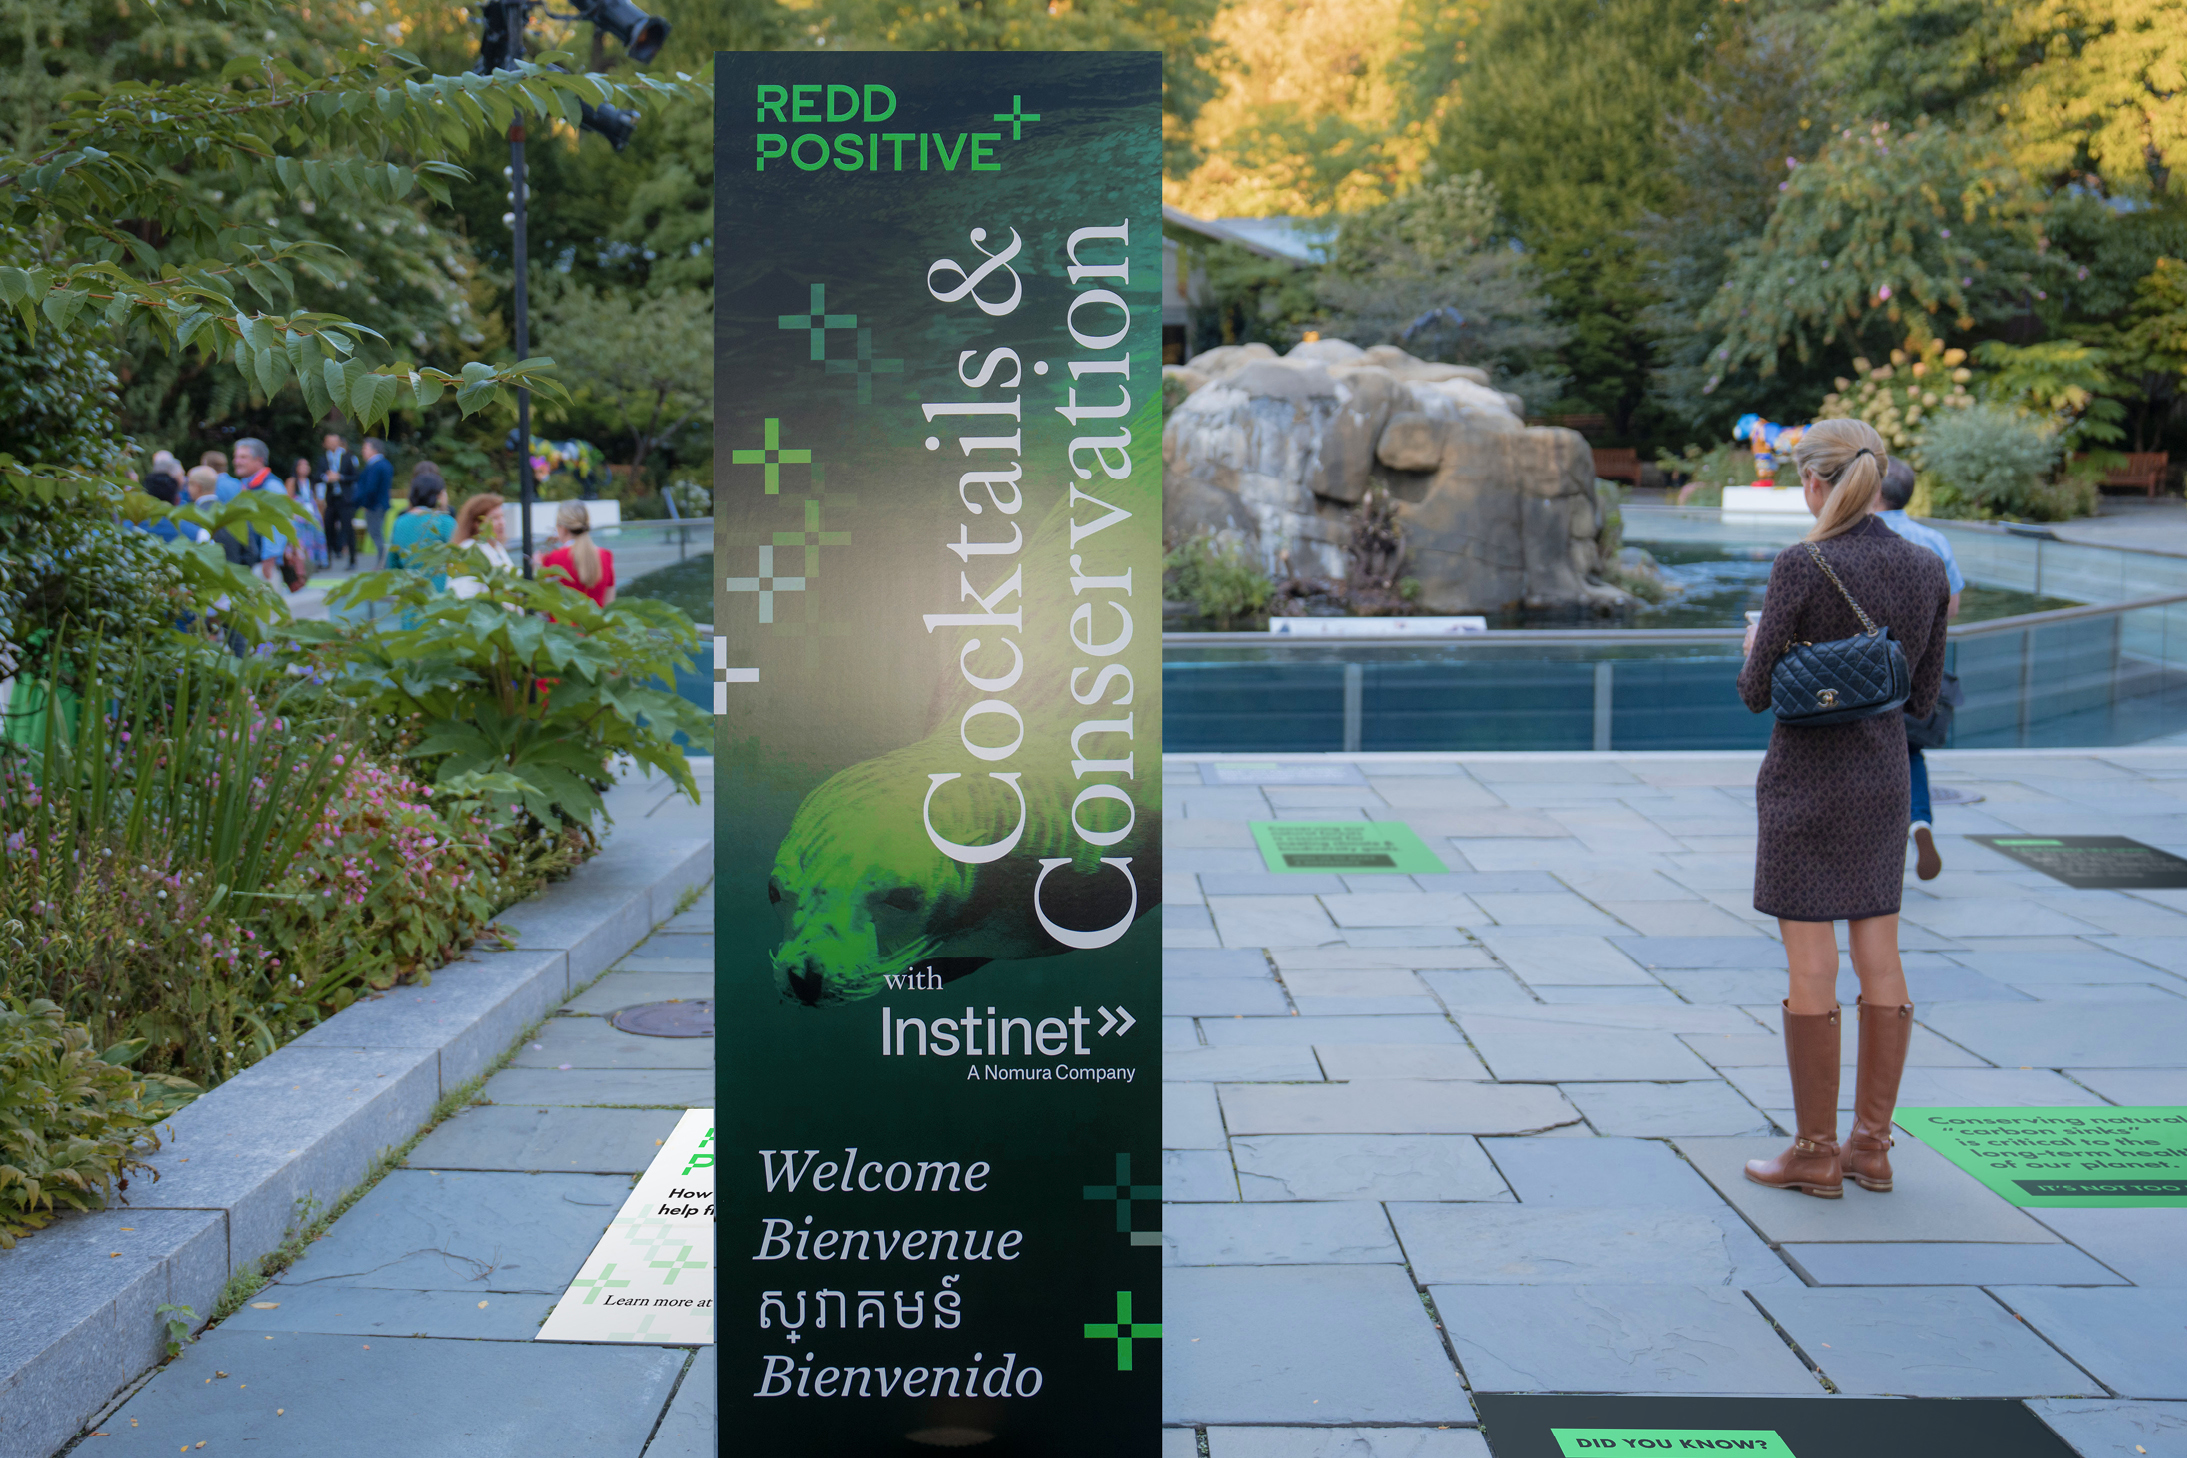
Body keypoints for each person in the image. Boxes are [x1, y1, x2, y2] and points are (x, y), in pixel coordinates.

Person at [1735, 418, 1950, 1201]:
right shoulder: (1924, 568)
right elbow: (1921, 699)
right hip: (1881, 781)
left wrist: (1755, 648)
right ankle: (1871, 1148)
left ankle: (1814, 1152)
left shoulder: (1801, 563)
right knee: (1879, 956)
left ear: (1813, 482)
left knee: (1811, 962)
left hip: (1805, 782)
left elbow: (1755, 692)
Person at [1874, 460, 1964, 881]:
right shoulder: (1933, 540)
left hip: (1869, 667)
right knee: (1910, 750)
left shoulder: (1857, 538)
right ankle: (1919, 820)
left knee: (1860, 750)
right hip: (1919, 667)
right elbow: (1952, 606)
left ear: (1873, 492)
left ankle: (1876, 842)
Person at [229, 438, 288, 584]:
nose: (236, 462)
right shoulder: (245, 485)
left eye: (243, 457)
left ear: (259, 460)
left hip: (263, 564)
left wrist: (270, 557)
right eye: (236, 457)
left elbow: (279, 523)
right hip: (248, 561)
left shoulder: (271, 486)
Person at [541, 500, 616, 609]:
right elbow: (609, 605)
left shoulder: (551, 558)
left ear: (562, 528)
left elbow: (543, 608)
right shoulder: (606, 556)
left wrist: (536, 567)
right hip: (596, 620)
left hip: (562, 620)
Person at [386, 474, 455, 588]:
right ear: (439, 496)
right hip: (439, 592)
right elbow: (459, 558)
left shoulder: (400, 521)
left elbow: (393, 562)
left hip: (408, 590)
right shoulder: (445, 522)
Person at [450, 492, 514, 600]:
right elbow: (463, 594)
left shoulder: (497, 547)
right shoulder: (470, 549)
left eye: (502, 516)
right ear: (477, 524)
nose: (502, 523)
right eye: (495, 518)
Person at [188, 465, 252, 566]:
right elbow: (251, 552)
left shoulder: (190, 517)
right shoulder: (234, 514)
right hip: (235, 572)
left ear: (197, 487)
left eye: (189, 484)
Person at [320, 433, 361, 571]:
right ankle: (327, 559)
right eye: (329, 441)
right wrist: (326, 478)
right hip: (330, 499)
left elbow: (355, 476)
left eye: (334, 441)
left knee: (348, 528)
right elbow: (317, 476)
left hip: (345, 499)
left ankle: (352, 560)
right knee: (328, 528)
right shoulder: (322, 459)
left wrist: (340, 477)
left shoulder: (348, 457)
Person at [355, 437, 394, 568]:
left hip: (374, 506)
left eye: (365, 448)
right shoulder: (384, 464)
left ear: (374, 449)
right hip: (380, 504)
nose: (363, 451)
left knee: (376, 534)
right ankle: (383, 562)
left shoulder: (376, 466)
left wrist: (365, 504)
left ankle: (383, 562)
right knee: (377, 533)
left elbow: (371, 488)